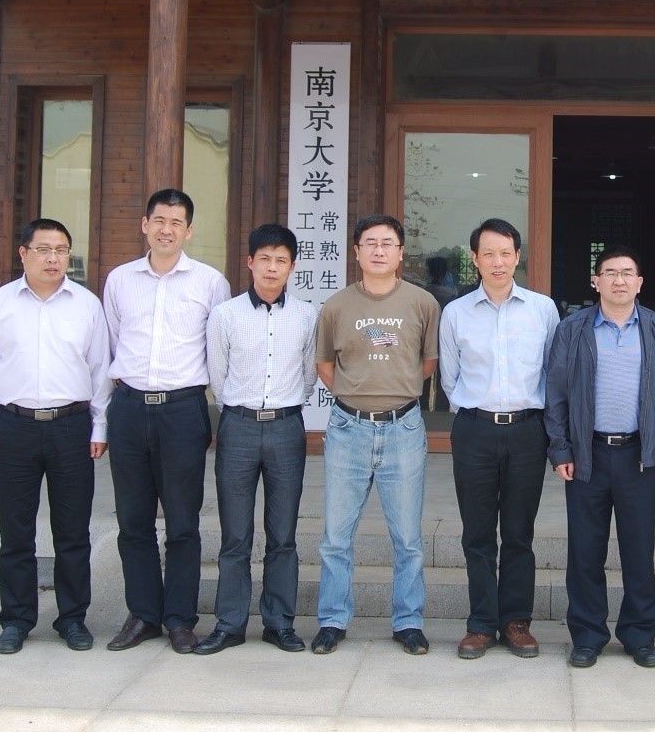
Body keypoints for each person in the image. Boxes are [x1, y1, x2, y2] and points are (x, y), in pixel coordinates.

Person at [0, 218, 110, 655]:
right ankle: (16, 619)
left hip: (71, 427)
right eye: (44, 249)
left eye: (61, 250)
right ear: (23, 253)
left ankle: (72, 619)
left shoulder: (86, 305)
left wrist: (100, 426)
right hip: (14, 427)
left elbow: (101, 372)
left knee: (73, 532)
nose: (53, 258)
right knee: (16, 532)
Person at [103, 188, 230, 654]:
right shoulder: (119, 280)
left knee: (182, 522)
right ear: (145, 224)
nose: (166, 229)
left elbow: (218, 350)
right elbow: (111, 343)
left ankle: (179, 618)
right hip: (129, 407)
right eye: (159, 220)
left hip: (183, 409)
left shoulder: (210, 283)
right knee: (133, 519)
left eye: (176, 222)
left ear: (189, 231)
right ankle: (143, 615)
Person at [546, 245, 655, 670]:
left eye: (627, 273)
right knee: (585, 552)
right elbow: (556, 392)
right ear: (596, 281)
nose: (619, 280)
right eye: (610, 272)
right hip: (587, 455)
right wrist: (561, 447)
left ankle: (639, 635)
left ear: (639, 282)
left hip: (639, 455)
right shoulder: (574, 328)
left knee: (639, 551)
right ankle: (588, 636)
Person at [312, 214, 440, 656]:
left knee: (408, 537)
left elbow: (427, 364)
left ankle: (408, 621)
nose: (379, 250)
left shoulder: (423, 303)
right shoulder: (336, 306)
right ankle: (332, 619)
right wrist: (357, 395)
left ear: (401, 253)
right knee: (336, 536)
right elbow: (325, 365)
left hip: (403, 427)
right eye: (370, 243)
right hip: (348, 428)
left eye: (388, 243)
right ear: (357, 251)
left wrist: (392, 392)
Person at [193, 224, 317, 656]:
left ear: (292, 267)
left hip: (286, 427)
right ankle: (229, 623)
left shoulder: (306, 316)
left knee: (283, 534)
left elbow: (308, 375)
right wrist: (241, 410)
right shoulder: (225, 315)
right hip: (239, 426)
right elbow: (217, 375)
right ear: (250, 262)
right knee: (235, 535)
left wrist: (284, 407)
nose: (272, 267)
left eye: (281, 260)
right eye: (264, 258)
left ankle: (279, 623)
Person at [439, 218, 560, 659]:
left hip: (528, 431)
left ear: (517, 257)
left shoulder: (542, 309)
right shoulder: (455, 313)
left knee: (518, 532)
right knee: (477, 533)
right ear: (474, 258)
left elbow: (553, 372)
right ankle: (480, 624)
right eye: (488, 253)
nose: (497, 261)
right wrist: (476, 411)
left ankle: (515, 622)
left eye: (505, 253)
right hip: (474, 430)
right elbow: (449, 378)